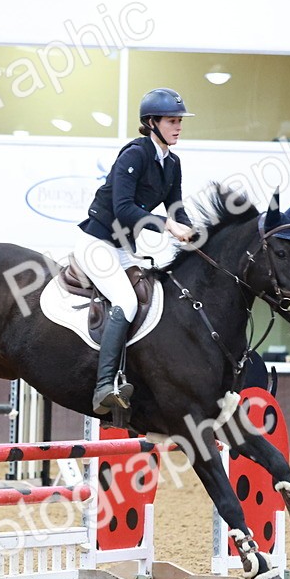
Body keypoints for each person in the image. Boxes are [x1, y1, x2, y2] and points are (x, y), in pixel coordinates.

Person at [77, 87, 197, 416]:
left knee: (151, 300)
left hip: (123, 249)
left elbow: (177, 208)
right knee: (127, 301)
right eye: (172, 121)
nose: (178, 126)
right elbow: (124, 208)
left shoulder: (171, 163)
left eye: (179, 121)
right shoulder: (135, 155)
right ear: (151, 122)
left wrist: (196, 236)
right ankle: (104, 386)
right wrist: (167, 225)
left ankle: (130, 375)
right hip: (96, 243)